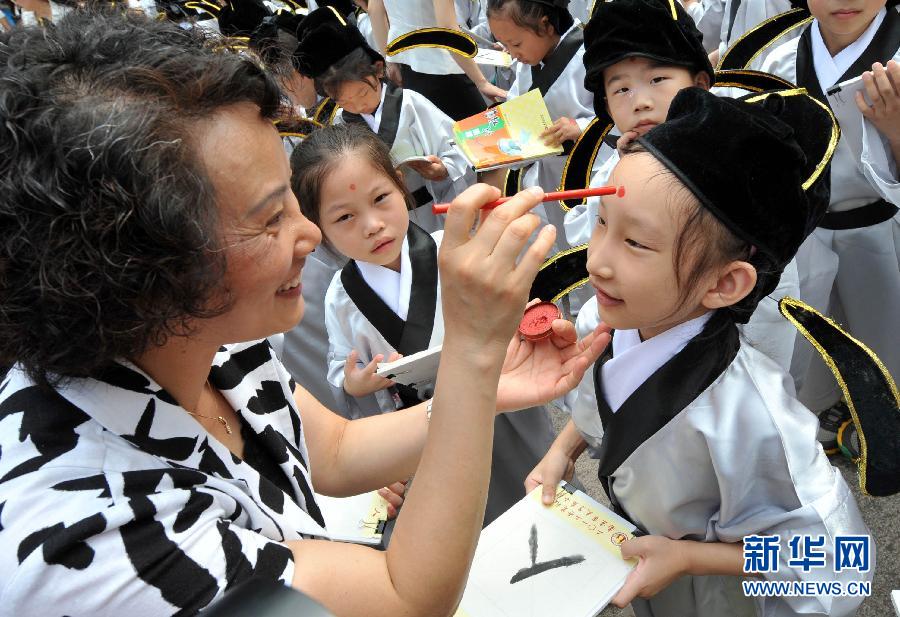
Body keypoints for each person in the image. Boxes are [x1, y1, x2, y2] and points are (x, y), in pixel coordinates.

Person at [0, 10, 609, 616]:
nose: (311, 237)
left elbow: (336, 449)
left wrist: (487, 386)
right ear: (143, 265)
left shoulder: (213, 343)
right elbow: (404, 599)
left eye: (295, 203)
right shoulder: (100, 538)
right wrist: (474, 357)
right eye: (270, 217)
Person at [526, 86, 872, 617]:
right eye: (601, 223)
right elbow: (612, 402)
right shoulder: (610, 318)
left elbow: (842, 559)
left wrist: (690, 558)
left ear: (726, 283)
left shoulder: (751, 413)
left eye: (636, 243)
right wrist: (561, 452)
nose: (596, 262)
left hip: (717, 589)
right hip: (644, 556)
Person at [292, 123, 559, 523]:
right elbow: (339, 366)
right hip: (419, 428)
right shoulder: (339, 297)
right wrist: (356, 381)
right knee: (463, 526)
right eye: (345, 217)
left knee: (529, 501)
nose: (372, 224)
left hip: (493, 406)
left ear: (400, 185)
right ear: (317, 228)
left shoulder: (454, 253)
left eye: (381, 198)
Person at [561, 0, 802, 372]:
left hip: (740, 322)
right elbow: (588, 234)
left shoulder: (737, 151)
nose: (640, 102)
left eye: (658, 80)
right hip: (652, 323)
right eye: (620, 89)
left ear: (700, 84)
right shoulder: (613, 167)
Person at [758, 0, 900, 452]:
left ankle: (886, 427)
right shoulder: (780, 61)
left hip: (884, 228)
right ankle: (825, 412)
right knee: (812, 340)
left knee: (886, 340)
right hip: (807, 232)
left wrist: (896, 129)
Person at [486, 0, 594, 254]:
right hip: (550, 174)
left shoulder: (590, 53)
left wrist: (582, 126)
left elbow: (620, 113)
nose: (512, 54)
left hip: (591, 171)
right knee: (562, 243)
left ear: (545, 25)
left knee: (590, 244)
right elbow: (516, 106)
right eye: (506, 45)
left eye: (516, 44)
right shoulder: (528, 65)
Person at [368, 0, 506, 120]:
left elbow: (374, 10)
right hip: (442, 66)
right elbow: (447, 28)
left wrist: (390, 59)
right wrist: (481, 82)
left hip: (408, 67)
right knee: (484, 134)